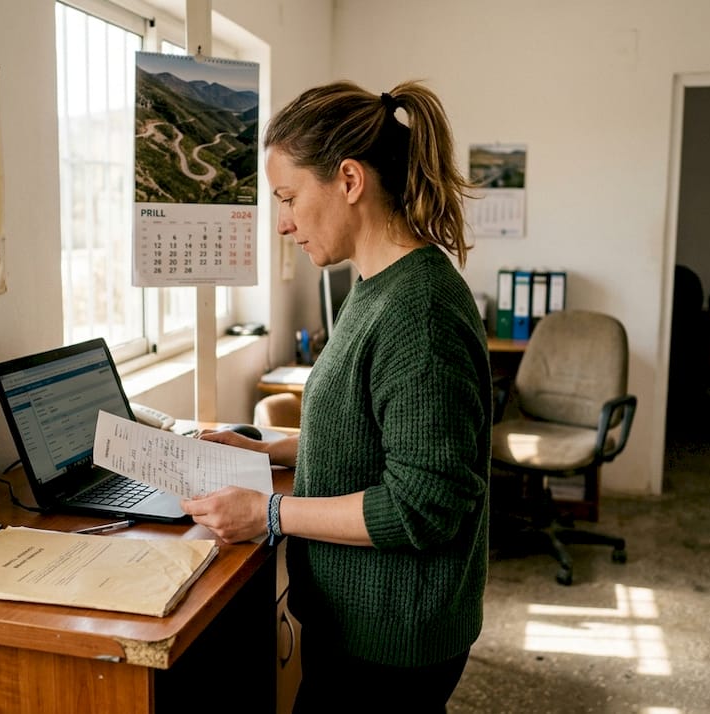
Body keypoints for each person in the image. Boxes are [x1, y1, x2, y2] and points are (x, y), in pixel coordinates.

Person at [181, 79, 491, 712]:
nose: (284, 223)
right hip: (362, 628)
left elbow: (424, 505)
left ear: (350, 180)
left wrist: (267, 513)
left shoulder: (418, 311)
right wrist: (271, 446)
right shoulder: (375, 286)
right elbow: (379, 433)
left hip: (391, 644)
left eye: (289, 197)